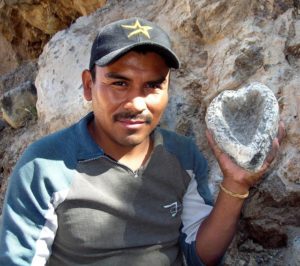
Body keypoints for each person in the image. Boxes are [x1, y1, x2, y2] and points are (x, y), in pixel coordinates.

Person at [0, 17, 284, 266]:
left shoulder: (182, 156)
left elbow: (200, 256)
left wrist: (236, 183)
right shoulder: (44, 166)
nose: (136, 103)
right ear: (89, 86)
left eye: (153, 85)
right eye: (119, 83)